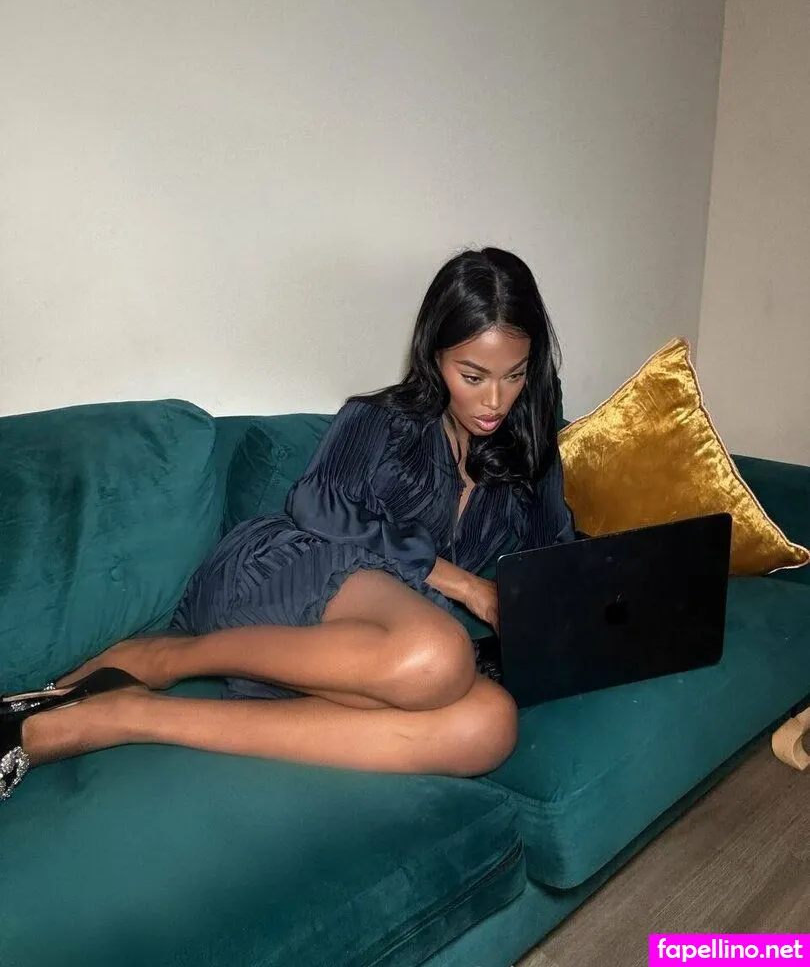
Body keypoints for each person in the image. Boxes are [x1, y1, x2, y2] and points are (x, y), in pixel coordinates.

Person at [1, 247, 575, 801]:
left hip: (377, 646)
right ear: (435, 357)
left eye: (514, 376)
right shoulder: (380, 418)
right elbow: (316, 506)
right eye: (472, 376)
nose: (495, 401)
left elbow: (555, 555)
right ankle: (168, 658)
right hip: (287, 568)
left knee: (488, 725)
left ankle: (133, 716)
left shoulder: (531, 452)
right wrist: (465, 585)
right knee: (440, 655)